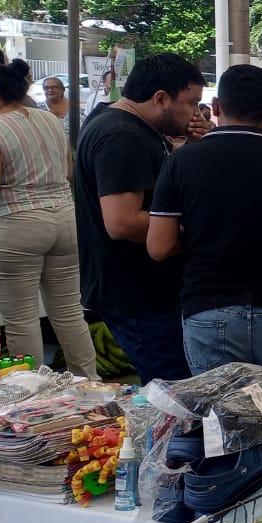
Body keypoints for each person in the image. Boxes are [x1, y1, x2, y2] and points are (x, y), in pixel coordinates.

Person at [145, 65, 262, 518]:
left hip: (207, 307)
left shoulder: (182, 163)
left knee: (219, 425)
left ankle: (219, 519)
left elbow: (158, 247)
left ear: (215, 108)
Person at [74, 53, 207, 383]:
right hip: (138, 293)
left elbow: (151, 183)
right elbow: (122, 222)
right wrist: (196, 227)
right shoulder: (122, 135)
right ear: (161, 98)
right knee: (176, 395)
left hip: (141, 289)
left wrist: (191, 148)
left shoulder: (126, 126)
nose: (196, 113)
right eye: (191, 103)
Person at [0, 60, 98, 377]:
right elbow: (68, 171)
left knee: (21, 317)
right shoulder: (50, 120)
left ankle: (33, 397)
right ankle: (90, 383)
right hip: (64, 220)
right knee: (70, 310)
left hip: (15, 224)